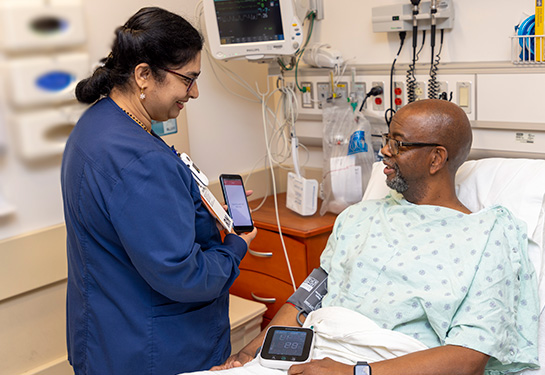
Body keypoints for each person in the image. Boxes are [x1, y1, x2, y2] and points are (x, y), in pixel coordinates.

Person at [212, 99, 539, 375]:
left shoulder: (490, 235)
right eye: (387, 139)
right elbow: (308, 297)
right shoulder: (358, 217)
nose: (384, 151)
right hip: (311, 354)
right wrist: (255, 353)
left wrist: (356, 371)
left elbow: (470, 355)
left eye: (398, 143)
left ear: (436, 158)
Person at [61, 7, 257, 375]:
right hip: (154, 350)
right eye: (188, 79)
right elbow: (185, 275)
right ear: (144, 76)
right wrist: (235, 247)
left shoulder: (95, 126)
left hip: (107, 336)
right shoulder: (141, 160)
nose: (194, 93)